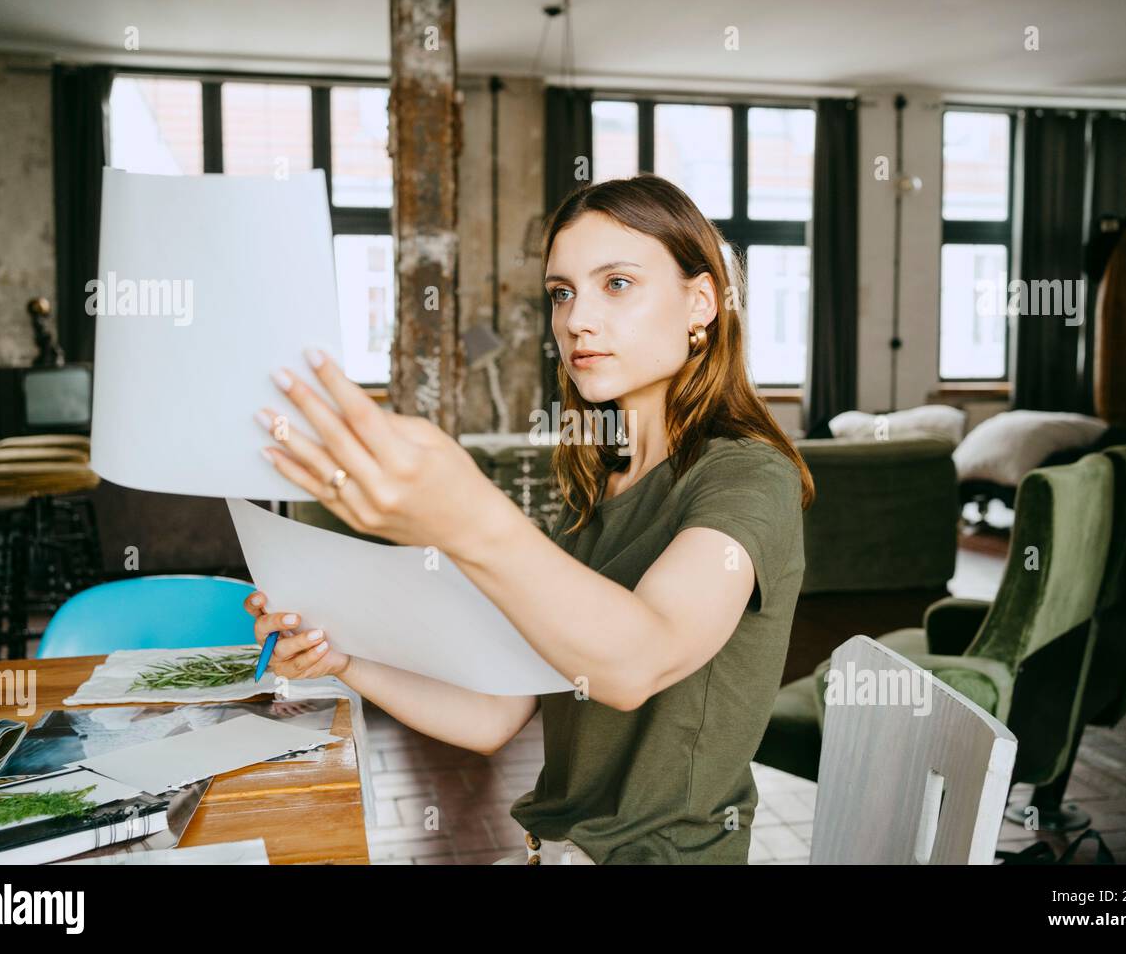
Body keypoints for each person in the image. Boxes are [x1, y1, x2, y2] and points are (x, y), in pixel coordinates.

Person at [247, 173, 814, 864]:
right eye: (562, 293)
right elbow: (495, 712)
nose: (576, 319)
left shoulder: (750, 475)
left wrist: (468, 519)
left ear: (700, 303)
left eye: (618, 283)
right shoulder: (597, 494)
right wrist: (345, 662)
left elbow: (637, 661)